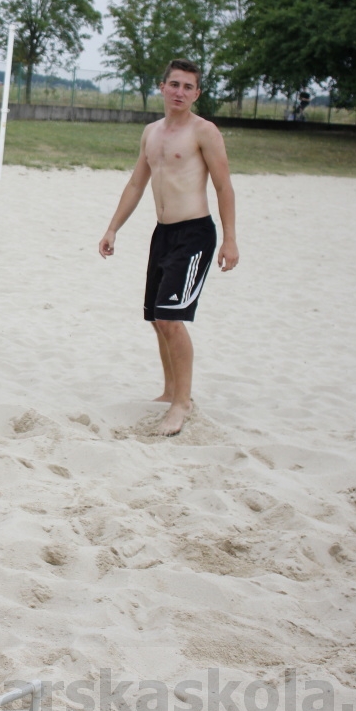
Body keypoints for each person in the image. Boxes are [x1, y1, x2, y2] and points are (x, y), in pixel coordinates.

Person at [98, 58, 239, 436]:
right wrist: (113, 228)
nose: (180, 92)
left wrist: (230, 238)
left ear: (197, 94)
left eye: (188, 87)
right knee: (157, 317)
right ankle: (170, 390)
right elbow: (136, 184)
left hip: (194, 235)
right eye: (174, 84)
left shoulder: (204, 132)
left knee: (170, 319)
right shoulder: (151, 133)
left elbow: (223, 185)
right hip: (162, 234)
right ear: (162, 87)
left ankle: (182, 403)